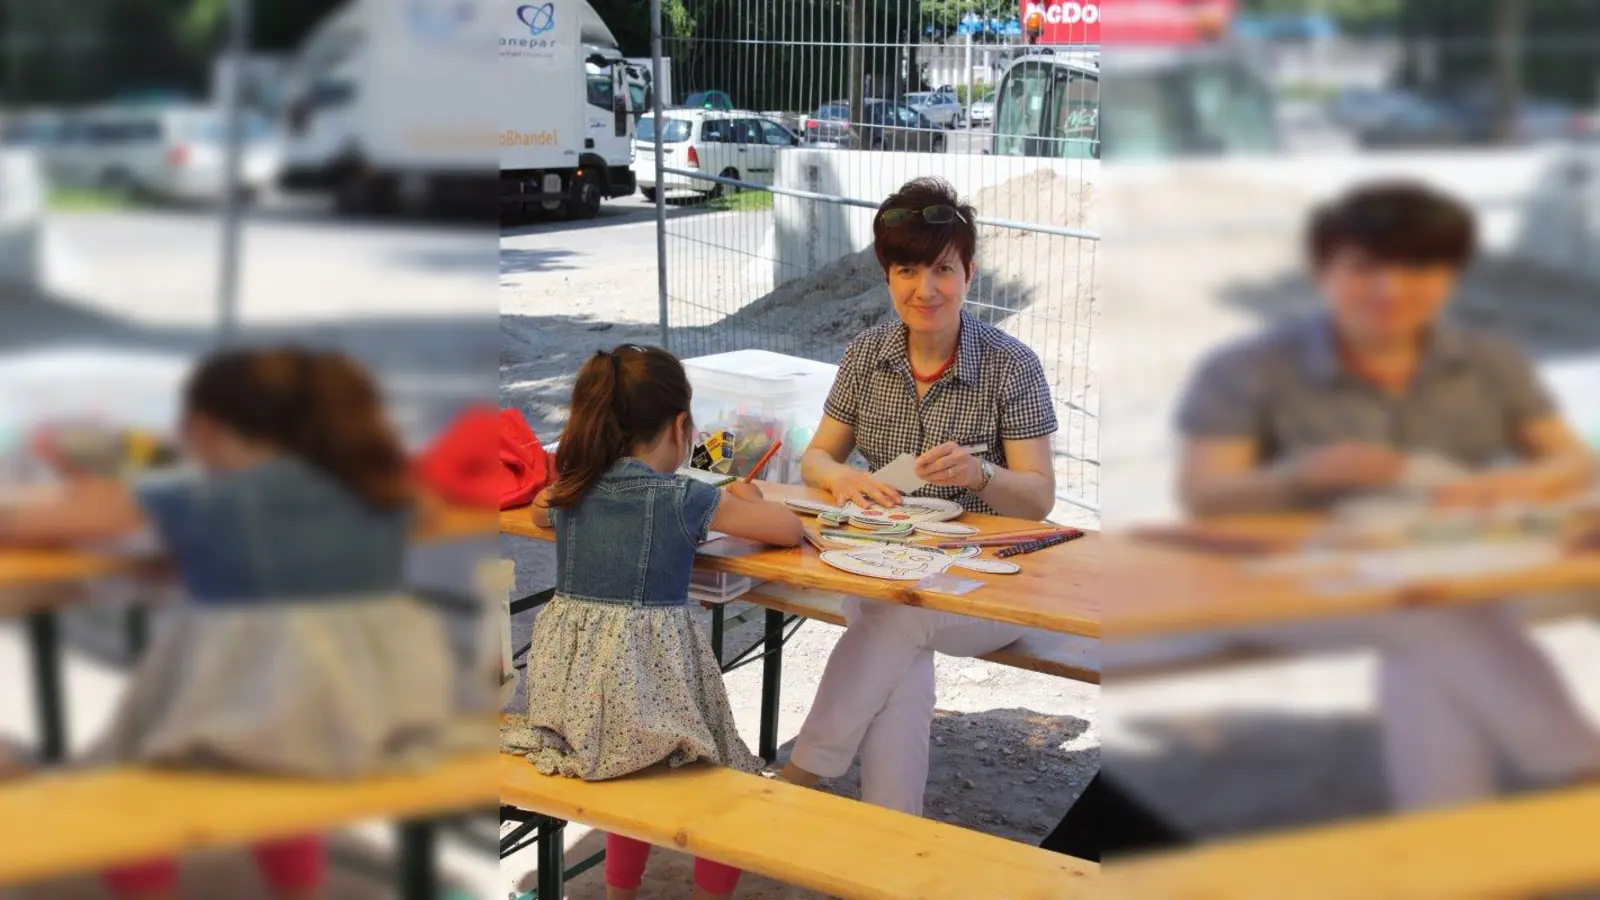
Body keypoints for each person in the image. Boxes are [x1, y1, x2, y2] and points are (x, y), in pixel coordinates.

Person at [1174, 180, 1600, 810]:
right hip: (1288, 581)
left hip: (1460, 565)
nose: (1390, 289)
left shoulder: (1487, 358)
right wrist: (1301, 475)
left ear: (1451, 276)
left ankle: (1447, 849)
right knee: (1432, 612)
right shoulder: (1248, 367)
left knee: (1428, 645)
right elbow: (1204, 495)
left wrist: (1503, 487)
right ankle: (1572, 764)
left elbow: (1571, 461)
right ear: (1324, 270)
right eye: (1366, 268)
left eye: (1420, 267)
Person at [0, 347, 462, 900]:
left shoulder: (204, 498)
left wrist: (89, 481)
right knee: (284, 752)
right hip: (376, 718)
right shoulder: (381, 489)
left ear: (204, 427)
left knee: (128, 785)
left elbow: (23, 523)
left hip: (250, 718)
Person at [777, 177, 1060, 815]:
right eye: (907, 269)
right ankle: (893, 840)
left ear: (970, 273)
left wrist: (981, 475)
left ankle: (804, 775)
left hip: (990, 586)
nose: (924, 289)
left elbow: (1039, 498)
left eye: (942, 269)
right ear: (887, 275)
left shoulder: (1012, 365)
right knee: (897, 653)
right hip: (886, 561)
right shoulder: (866, 355)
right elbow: (817, 457)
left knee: (897, 616)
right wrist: (843, 478)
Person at [501, 344, 805, 900]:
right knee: (730, 779)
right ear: (682, 426)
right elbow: (786, 529)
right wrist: (745, 488)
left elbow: (543, 508)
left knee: (632, 776)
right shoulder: (685, 496)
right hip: (647, 701)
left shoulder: (570, 490)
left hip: (570, 711)